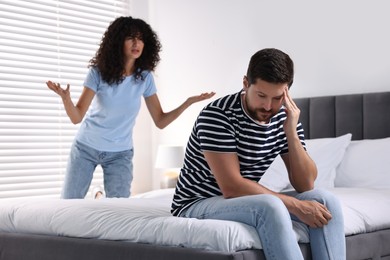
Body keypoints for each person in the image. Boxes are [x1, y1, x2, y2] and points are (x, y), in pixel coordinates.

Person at [171, 48, 346, 259]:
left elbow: (306, 184)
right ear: (246, 83)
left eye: (277, 98)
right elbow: (232, 187)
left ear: (287, 92)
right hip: (196, 202)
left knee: (326, 201)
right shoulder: (217, 115)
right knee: (270, 206)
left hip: (239, 201)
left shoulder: (285, 116)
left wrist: (290, 131)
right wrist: (296, 206)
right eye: (261, 95)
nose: (267, 106)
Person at [46, 16, 215, 199]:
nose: (136, 43)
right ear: (118, 41)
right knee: (69, 203)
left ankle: (98, 196)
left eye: (140, 38)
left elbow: (160, 121)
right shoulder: (98, 73)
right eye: (130, 38)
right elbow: (76, 117)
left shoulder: (145, 77)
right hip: (86, 147)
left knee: (118, 210)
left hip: (120, 154)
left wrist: (187, 103)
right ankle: (98, 195)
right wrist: (66, 99)